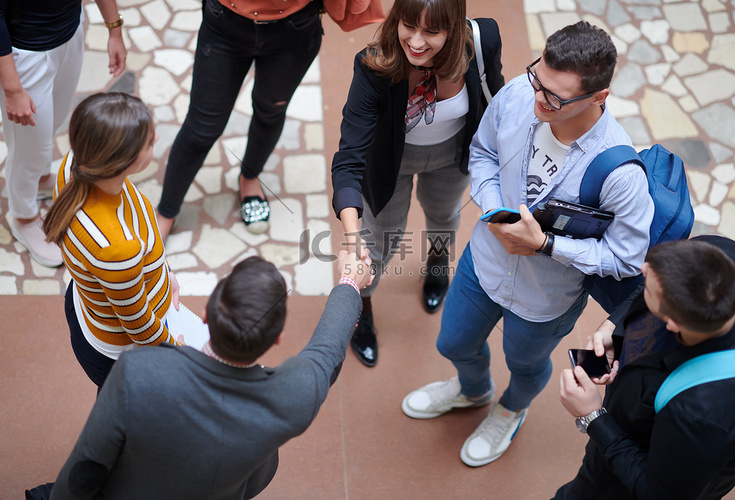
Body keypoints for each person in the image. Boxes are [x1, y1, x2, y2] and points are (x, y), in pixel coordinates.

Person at [401, 21, 654, 467]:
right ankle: (472, 389)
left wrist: (545, 245)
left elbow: (626, 257)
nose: (539, 98)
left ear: (599, 97)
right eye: (539, 78)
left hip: (545, 299)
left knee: (524, 365)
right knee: (453, 343)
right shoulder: (520, 93)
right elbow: (482, 154)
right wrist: (498, 214)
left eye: (556, 97)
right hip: (483, 263)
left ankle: (510, 409)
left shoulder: (621, 173)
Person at [49, 252, 372, 499]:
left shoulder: (138, 372)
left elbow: (87, 465)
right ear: (277, 339)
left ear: (206, 313)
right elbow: (326, 351)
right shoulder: (294, 395)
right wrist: (350, 282)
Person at [331, 0, 504, 367]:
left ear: (454, 28)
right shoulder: (373, 65)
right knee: (378, 242)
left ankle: (437, 268)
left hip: (452, 152)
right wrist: (351, 238)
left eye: (432, 31)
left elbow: (496, 103)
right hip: (390, 159)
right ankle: (360, 308)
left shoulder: (483, 39)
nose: (416, 41)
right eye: (408, 25)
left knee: (444, 216)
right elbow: (348, 159)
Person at [556, 236, 735, 499]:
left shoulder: (700, 414)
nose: (642, 271)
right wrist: (613, 327)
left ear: (671, 324)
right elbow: (653, 287)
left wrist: (592, 416)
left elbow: (657, 492)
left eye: (648, 286)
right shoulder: (723, 252)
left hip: (627, 473)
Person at [43, 92, 179, 389]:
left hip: (90, 307)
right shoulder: (117, 248)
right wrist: (178, 352)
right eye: (149, 141)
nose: (155, 138)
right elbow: (139, 325)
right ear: (122, 161)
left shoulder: (75, 163)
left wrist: (166, 275)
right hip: (122, 352)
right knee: (134, 423)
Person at [155, 0, 324, 237]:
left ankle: (249, 178)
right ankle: (166, 211)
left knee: (270, 112)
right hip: (226, 22)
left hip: (294, 28)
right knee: (201, 129)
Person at [0, 0, 126, 267]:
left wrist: (114, 29)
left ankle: (42, 178)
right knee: (27, 146)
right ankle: (23, 216)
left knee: (54, 120)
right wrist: (12, 89)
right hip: (25, 51)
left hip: (70, 29)